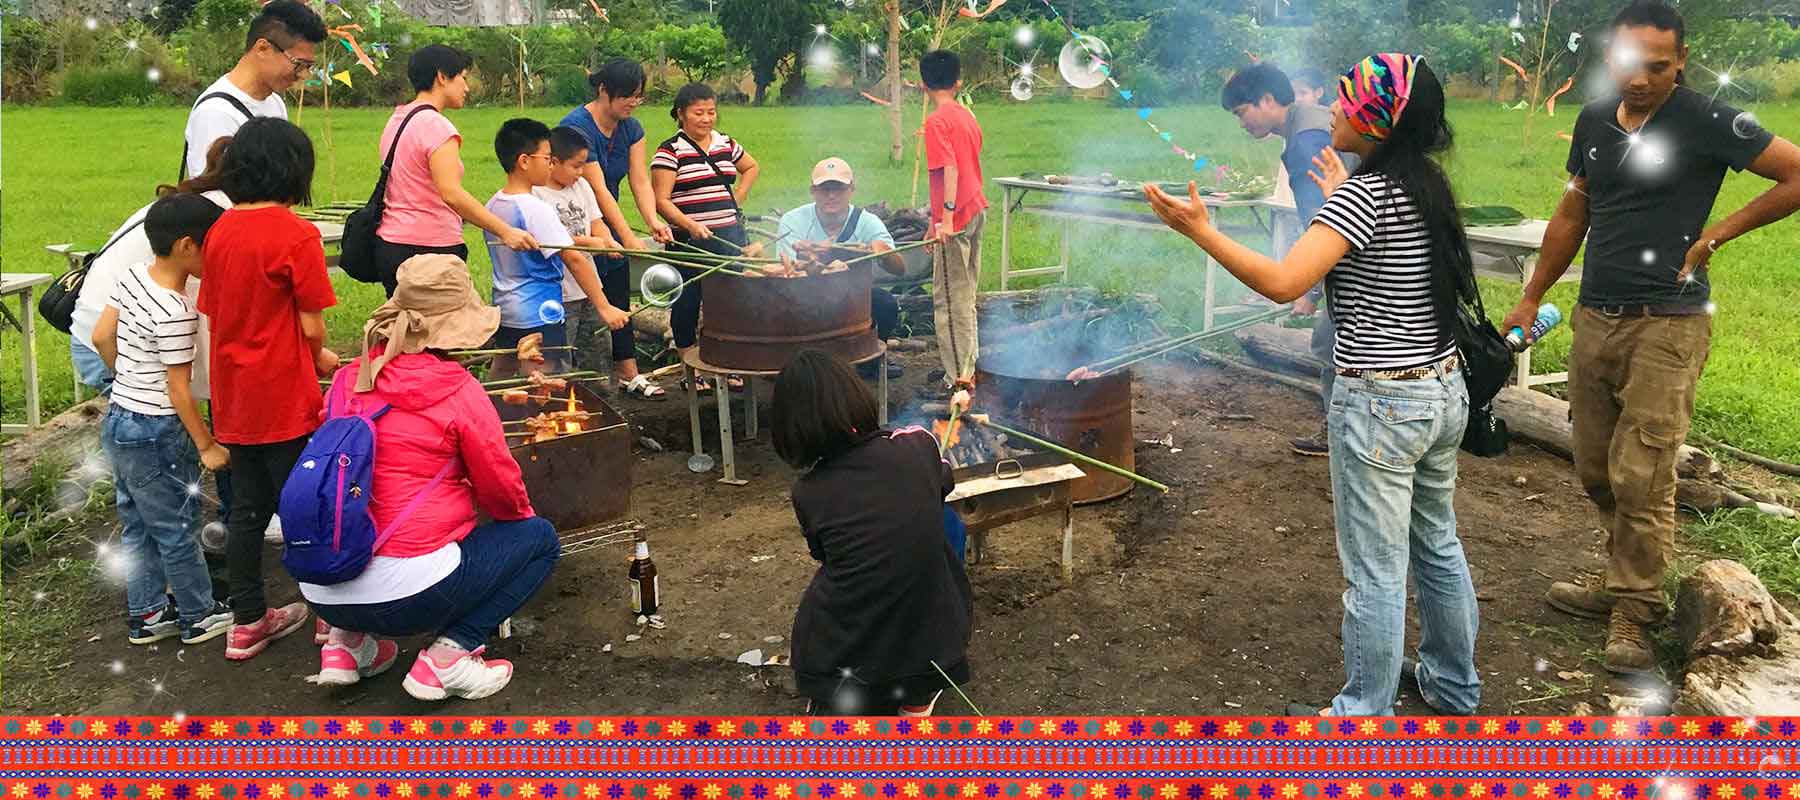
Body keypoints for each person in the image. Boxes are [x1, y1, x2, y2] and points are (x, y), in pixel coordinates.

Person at [1146, 55, 1482, 716]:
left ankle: (1362, 718)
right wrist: (1335, 204)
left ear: (1378, 118)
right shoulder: (1421, 182)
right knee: (1436, 543)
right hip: (1441, 391)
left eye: (1347, 99)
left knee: (1376, 570)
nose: (1331, 107)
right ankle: (1452, 685)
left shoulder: (1365, 192)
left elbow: (1282, 282)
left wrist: (1201, 231)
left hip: (1382, 404)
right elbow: (1377, 258)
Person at [1503, 1, 1800, 675]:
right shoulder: (1592, 120)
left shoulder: (1708, 119)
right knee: (1594, 464)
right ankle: (1623, 579)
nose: (1641, 80)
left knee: (1644, 472)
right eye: (1630, 65)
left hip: (1669, 322)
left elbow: (1796, 172)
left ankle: (1635, 611)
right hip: (1596, 314)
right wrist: (1530, 294)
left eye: (1658, 67)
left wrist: (1718, 233)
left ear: (1682, 62)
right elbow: (1574, 208)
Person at [303, 254, 557, 701]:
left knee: (352, 518)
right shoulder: (457, 389)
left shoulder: (347, 379)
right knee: (539, 540)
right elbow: (500, 486)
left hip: (320, 586)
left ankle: (345, 645)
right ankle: (449, 658)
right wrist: (513, 526)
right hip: (411, 597)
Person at [198, 116, 337, 660]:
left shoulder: (220, 231)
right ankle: (331, 617)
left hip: (233, 397)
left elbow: (214, 311)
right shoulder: (295, 234)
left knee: (247, 513)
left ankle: (248, 620)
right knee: (310, 507)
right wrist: (321, 356)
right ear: (294, 170)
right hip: (284, 395)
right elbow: (309, 325)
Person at [771, 349, 972, 716]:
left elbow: (826, 556)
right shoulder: (917, 444)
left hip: (847, 654)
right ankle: (916, 697)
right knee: (943, 524)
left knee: (843, 582)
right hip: (932, 648)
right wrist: (956, 402)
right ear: (855, 396)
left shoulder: (809, 491)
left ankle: (841, 696)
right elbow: (942, 481)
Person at [90, 193, 235, 647]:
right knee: (176, 525)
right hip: (157, 429)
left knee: (137, 523)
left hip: (120, 419)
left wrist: (127, 380)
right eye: (213, 246)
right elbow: (178, 390)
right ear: (188, 246)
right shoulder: (177, 311)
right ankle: (198, 613)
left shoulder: (132, 277)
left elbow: (100, 336)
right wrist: (207, 445)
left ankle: (148, 612)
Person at [1221, 62, 1357, 457]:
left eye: (1241, 112)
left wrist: (1309, 289)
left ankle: (1341, 435)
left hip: (1355, 261)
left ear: (1266, 100)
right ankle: (1342, 431)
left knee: (1333, 345)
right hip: (1365, 248)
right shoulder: (1312, 122)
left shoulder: (1305, 141)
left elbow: (1325, 224)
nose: (1241, 123)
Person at [373, 45, 538, 297]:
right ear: (441, 77)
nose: (467, 87)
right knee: (445, 333)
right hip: (429, 250)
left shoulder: (398, 118)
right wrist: (505, 231)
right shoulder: (436, 126)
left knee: (406, 329)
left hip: (392, 245)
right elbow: (450, 192)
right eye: (462, 77)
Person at [558, 58, 670, 398]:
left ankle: (628, 372)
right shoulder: (577, 126)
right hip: (580, 216)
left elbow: (639, 180)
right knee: (589, 299)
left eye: (638, 96)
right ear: (604, 91)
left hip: (609, 218)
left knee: (618, 292)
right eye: (627, 96)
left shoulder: (631, 128)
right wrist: (626, 238)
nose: (633, 103)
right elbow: (598, 189)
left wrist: (652, 223)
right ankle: (578, 378)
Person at [486, 118, 628, 379]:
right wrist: (605, 307)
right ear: (525, 161)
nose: (550, 164)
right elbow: (574, 259)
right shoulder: (536, 208)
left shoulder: (494, 205)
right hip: (540, 311)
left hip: (507, 309)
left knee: (504, 373)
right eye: (547, 157)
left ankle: (493, 418)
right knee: (547, 382)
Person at [536, 126, 664, 398]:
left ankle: (604, 411)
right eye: (576, 166)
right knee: (558, 361)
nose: (581, 172)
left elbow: (596, 222)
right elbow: (556, 242)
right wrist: (590, 243)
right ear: (553, 161)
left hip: (589, 288)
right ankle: (557, 413)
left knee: (598, 355)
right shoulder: (537, 195)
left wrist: (608, 241)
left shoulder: (581, 186)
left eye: (584, 165)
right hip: (559, 293)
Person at [652, 83, 761, 391]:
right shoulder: (670, 150)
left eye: (711, 111)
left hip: (728, 237)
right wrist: (689, 225)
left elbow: (750, 167)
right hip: (688, 242)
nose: (706, 118)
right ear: (680, 114)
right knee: (687, 301)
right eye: (698, 112)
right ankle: (692, 370)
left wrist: (738, 196)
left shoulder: (726, 143)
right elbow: (661, 200)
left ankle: (727, 363)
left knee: (729, 300)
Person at [775, 157, 906, 380]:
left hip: (852, 296)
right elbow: (785, 272)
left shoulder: (867, 222)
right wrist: (811, 260)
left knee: (885, 303)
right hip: (805, 294)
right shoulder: (793, 221)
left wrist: (880, 250)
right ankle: (801, 365)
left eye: (839, 188)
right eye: (824, 189)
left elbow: (899, 269)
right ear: (813, 191)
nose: (831, 195)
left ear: (851, 189)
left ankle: (868, 362)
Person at [181, 0, 324, 179]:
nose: (303, 75)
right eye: (299, 64)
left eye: (308, 66)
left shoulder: (275, 103)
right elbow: (212, 196)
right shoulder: (216, 113)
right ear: (262, 48)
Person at [919, 50, 988, 395]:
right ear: (958, 82)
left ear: (923, 84)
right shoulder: (967, 115)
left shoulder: (937, 121)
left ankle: (960, 380)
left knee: (949, 301)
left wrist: (945, 219)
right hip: (976, 209)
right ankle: (968, 367)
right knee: (967, 295)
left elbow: (951, 168)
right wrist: (935, 221)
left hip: (958, 217)